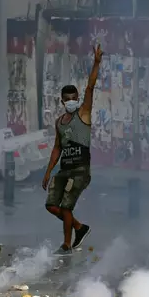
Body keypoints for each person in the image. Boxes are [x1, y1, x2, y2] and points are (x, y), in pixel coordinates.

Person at [42, 44, 103, 256]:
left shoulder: (83, 114)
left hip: (80, 170)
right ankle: (79, 227)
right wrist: (48, 172)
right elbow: (56, 147)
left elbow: (90, 87)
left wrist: (96, 62)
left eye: (73, 98)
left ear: (77, 99)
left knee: (66, 207)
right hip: (63, 170)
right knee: (51, 205)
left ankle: (67, 245)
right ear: (62, 101)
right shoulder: (59, 122)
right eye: (67, 99)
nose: (71, 102)